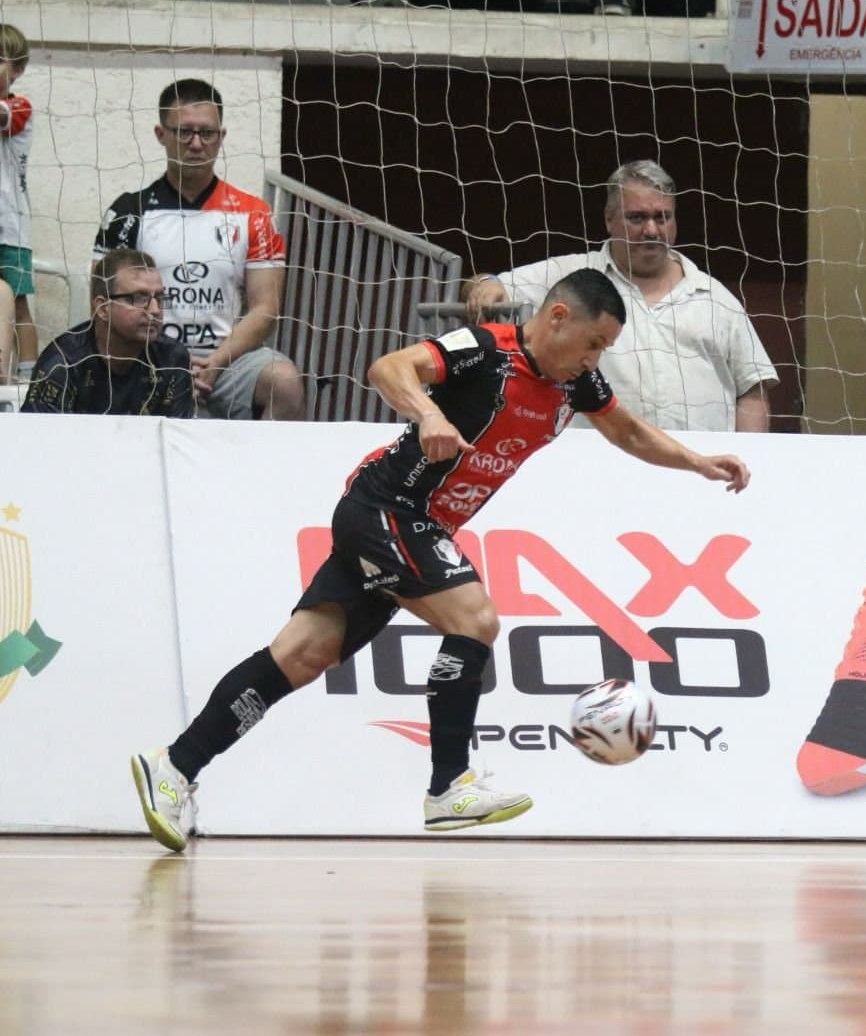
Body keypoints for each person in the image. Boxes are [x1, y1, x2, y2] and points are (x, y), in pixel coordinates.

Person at [129, 268, 751, 853]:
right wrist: (427, 411)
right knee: (475, 619)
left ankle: (175, 766)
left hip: (414, 525)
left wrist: (697, 462)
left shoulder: (574, 382)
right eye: (592, 343)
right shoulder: (485, 349)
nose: (595, 361)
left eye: (603, 350)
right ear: (557, 316)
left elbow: (629, 432)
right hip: (390, 508)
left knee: (301, 655)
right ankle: (449, 786)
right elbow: (390, 366)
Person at [463, 160, 778, 432]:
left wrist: (748, 453)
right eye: (637, 218)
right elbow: (485, 285)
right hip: (595, 468)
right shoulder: (570, 276)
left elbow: (752, 389)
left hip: (698, 471)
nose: (652, 230)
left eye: (662, 217)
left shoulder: (716, 299)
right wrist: (486, 285)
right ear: (609, 219)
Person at [95, 78, 304, 420]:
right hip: (146, 359)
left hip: (228, 359)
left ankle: (267, 473)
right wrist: (165, 365)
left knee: (283, 380)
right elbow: (104, 305)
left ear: (221, 137)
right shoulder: (128, 212)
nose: (196, 144)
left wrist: (217, 362)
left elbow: (267, 308)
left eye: (206, 133)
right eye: (183, 132)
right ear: (161, 134)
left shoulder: (252, 213)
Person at [21, 249, 193, 416]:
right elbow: (39, 441)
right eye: (140, 298)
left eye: (160, 298)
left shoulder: (172, 358)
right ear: (103, 309)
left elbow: (177, 441)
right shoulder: (63, 363)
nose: (155, 310)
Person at [0, 23, 35, 384]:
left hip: (10, 228)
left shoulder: (18, 107)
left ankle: (27, 379)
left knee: (20, 303)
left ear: (18, 70)